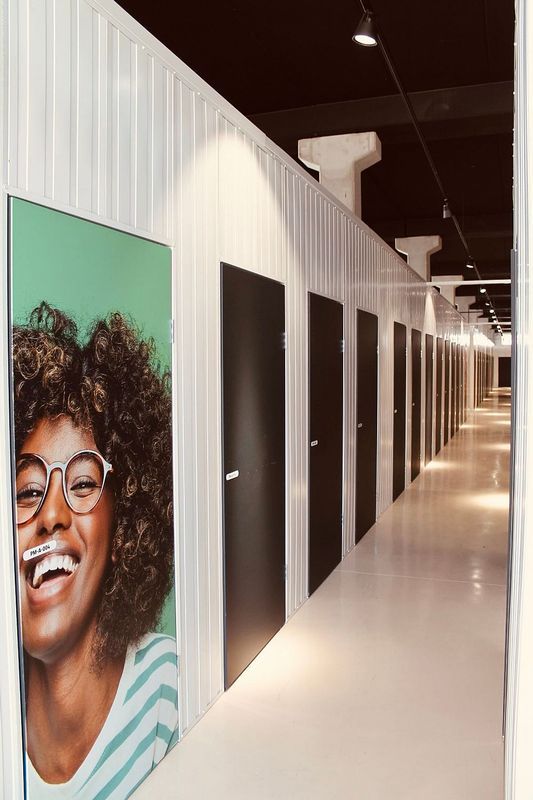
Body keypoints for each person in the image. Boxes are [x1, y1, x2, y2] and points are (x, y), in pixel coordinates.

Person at [13, 303, 178, 800]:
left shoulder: (171, 689)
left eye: (82, 483)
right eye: (27, 491)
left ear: (124, 522)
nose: (50, 513)